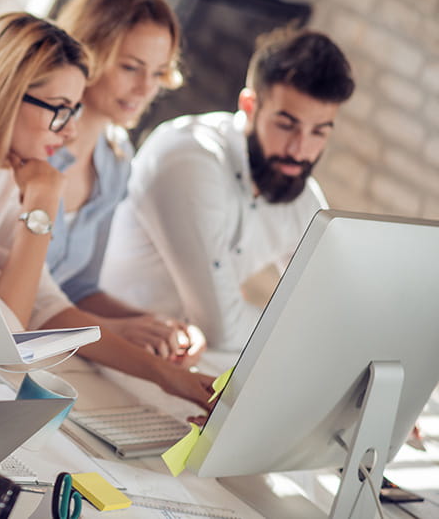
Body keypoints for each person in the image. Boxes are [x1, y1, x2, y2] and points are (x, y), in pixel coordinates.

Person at [0, 12, 215, 409]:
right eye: (60, 109)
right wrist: (43, 204)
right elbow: (2, 339)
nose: (68, 131)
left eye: (74, 112)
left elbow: (46, 304)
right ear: (4, 95)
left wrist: (167, 376)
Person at [99, 25, 355, 351]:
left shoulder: (302, 196)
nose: (299, 150)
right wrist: (297, 332)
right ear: (249, 106)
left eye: (319, 132)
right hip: (105, 342)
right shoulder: (189, 156)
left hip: (190, 357)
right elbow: (221, 331)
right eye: (286, 125)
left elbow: (328, 312)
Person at [48, 0, 205, 364]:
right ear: (86, 51)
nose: (145, 89)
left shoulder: (116, 160)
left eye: (157, 72)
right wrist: (115, 331)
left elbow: (80, 287)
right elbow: (8, 293)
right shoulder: (34, 141)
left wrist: (159, 326)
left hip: (45, 346)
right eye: (132, 67)